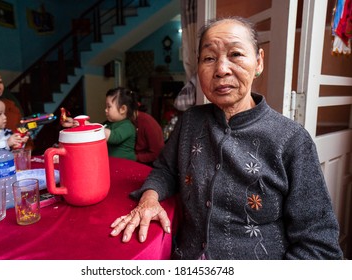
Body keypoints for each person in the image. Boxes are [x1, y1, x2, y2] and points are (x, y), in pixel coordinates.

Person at [109, 16, 343, 260]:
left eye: (236, 54)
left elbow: (320, 248)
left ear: (259, 62)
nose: (221, 69)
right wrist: (149, 199)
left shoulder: (292, 141)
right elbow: (165, 170)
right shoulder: (190, 121)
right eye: (209, 58)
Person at [103, 87, 137, 161]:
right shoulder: (108, 123)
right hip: (112, 162)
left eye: (109, 107)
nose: (106, 110)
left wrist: (92, 128)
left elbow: (114, 137)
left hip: (126, 164)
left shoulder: (128, 126)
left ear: (122, 109)